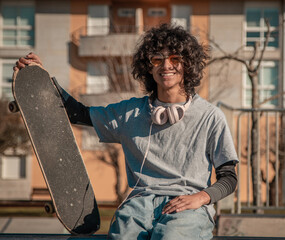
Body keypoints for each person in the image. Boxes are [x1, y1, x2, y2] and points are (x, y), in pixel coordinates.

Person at [15, 23, 238, 240]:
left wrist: (201, 198)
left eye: (175, 59)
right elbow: (78, 113)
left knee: (171, 236)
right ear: (149, 67)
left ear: (187, 65)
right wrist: (40, 79)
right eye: (157, 59)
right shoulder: (130, 112)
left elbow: (229, 177)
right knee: (124, 235)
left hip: (188, 204)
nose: (166, 65)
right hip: (140, 203)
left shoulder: (210, 117)